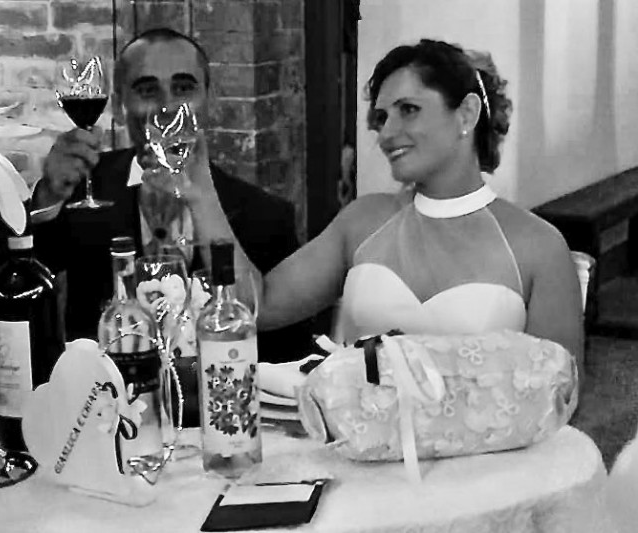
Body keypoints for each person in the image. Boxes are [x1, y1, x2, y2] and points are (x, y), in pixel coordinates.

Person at [176, 39, 584, 375]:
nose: (387, 133)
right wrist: (201, 192)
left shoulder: (538, 247)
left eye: (409, 110)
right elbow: (257, 306)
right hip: (355, 446)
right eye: (381, 117)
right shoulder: (363, 221)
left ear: (466, 113)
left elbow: (560, 392)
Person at [8, 28, 312, 362]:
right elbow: (0, 292)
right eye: (148, 90)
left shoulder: (266, 216)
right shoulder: (84, 188)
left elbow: (291, 355)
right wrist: (48, 197)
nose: (167, 106)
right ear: (121, 106)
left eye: (183, 88)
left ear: (209, 100)